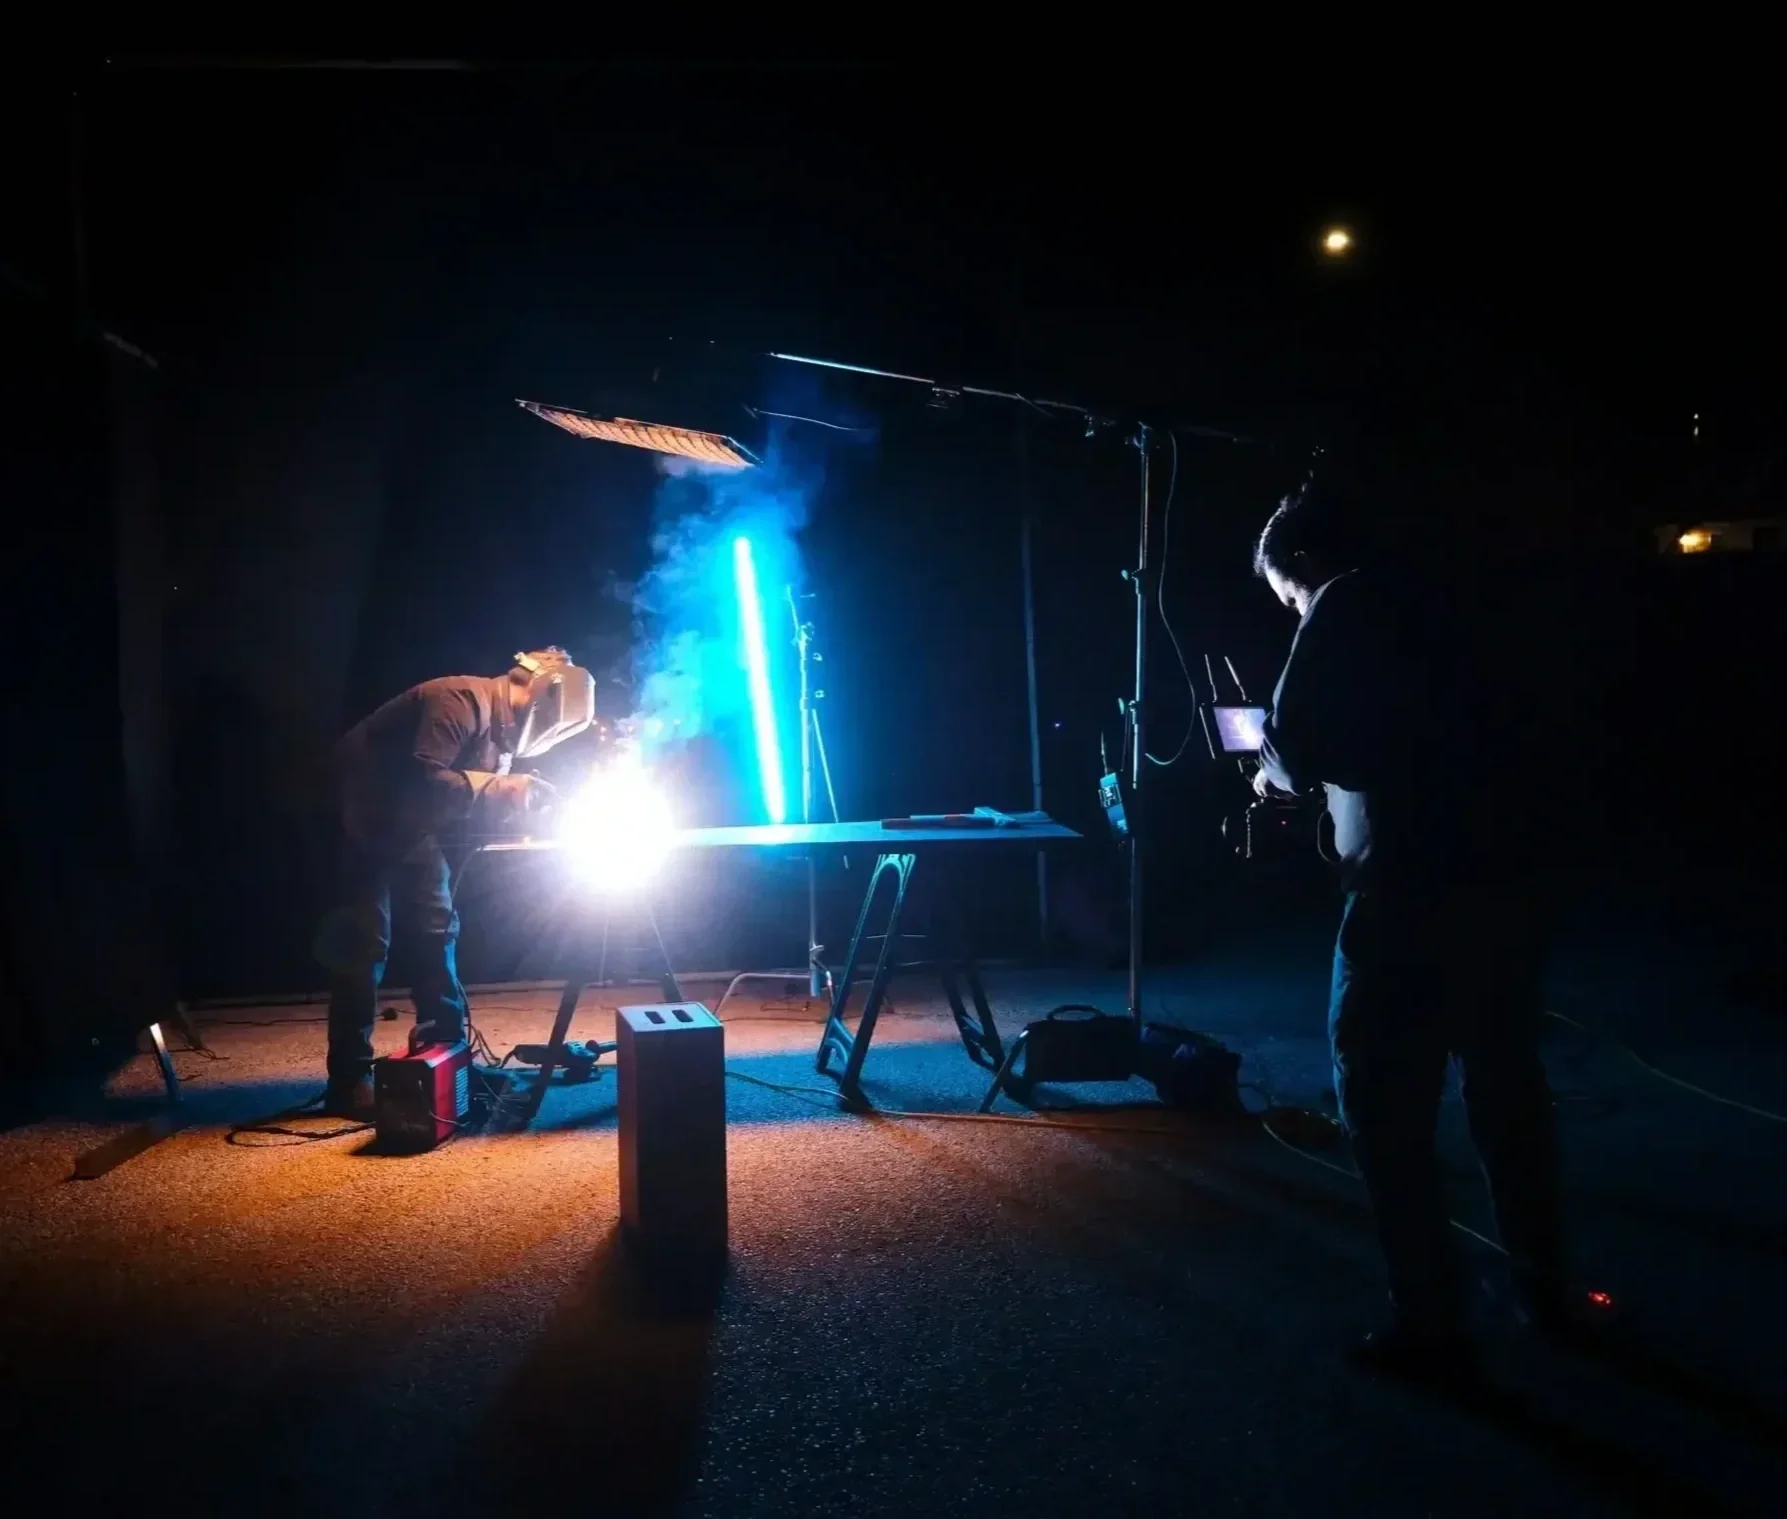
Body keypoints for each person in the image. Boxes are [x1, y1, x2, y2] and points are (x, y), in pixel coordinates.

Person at [1250, 485, 1597, 1380]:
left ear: (1302, 568)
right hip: (1505, 882)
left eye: (1285, 597)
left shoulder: (1341, 603)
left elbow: (1296, 740)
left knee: (1379, 1101)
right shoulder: (1463, 600)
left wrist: (1271, 780)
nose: (1291, 611)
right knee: (1504, 1091)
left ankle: (1430, 1320)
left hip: (1407, 893)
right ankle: (1543, 1290)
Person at [313, 648, 595, 1118]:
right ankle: (348, 1079)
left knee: (436, 927)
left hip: (406, 825)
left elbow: (459, 800)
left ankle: (448, 1057)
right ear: (529, 690)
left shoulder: (499, 739)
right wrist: (506, 789)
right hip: (354, 815)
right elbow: (426, 778)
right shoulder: (458, 700)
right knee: (364, 944)